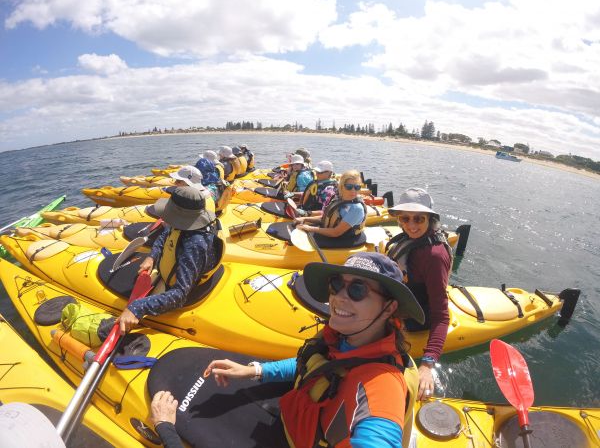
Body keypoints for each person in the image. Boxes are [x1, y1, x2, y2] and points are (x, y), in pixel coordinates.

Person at [152, 252, 424, 448]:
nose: (339, 296)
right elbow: (317, 366)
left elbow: (378, 428)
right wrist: (254, 371)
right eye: (337, 284)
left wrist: (167, 431)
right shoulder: (351, 338)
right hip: (294, 423)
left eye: (358, 290)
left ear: (389, 308)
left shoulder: (381, 388)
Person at [116, 187, 221, 335]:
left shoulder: (194, 244)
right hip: (168, 271)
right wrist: (152, 257)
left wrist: (136, 308)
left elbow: (179, 294)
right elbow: (165, 235)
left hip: (182, 288)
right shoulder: (183, 224)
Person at [385, 188, 452, 401]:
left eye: (419, 219)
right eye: (405, 218)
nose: (411, 225)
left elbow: (441, 315)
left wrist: (427, 363)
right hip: (401, 296)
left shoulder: (434, 256)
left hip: (416, 318)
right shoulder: (409, 238)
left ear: (430, 219)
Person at [294, 169, 366, 240]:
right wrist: (305, 218)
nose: (353, 191)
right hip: (332, 231)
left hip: (343, 238)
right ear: (341, 186)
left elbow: (336, 232)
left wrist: (309, 228)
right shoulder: (339, 199)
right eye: (349, 187)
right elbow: (326, 217)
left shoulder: (356, 209)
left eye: (357, 187)